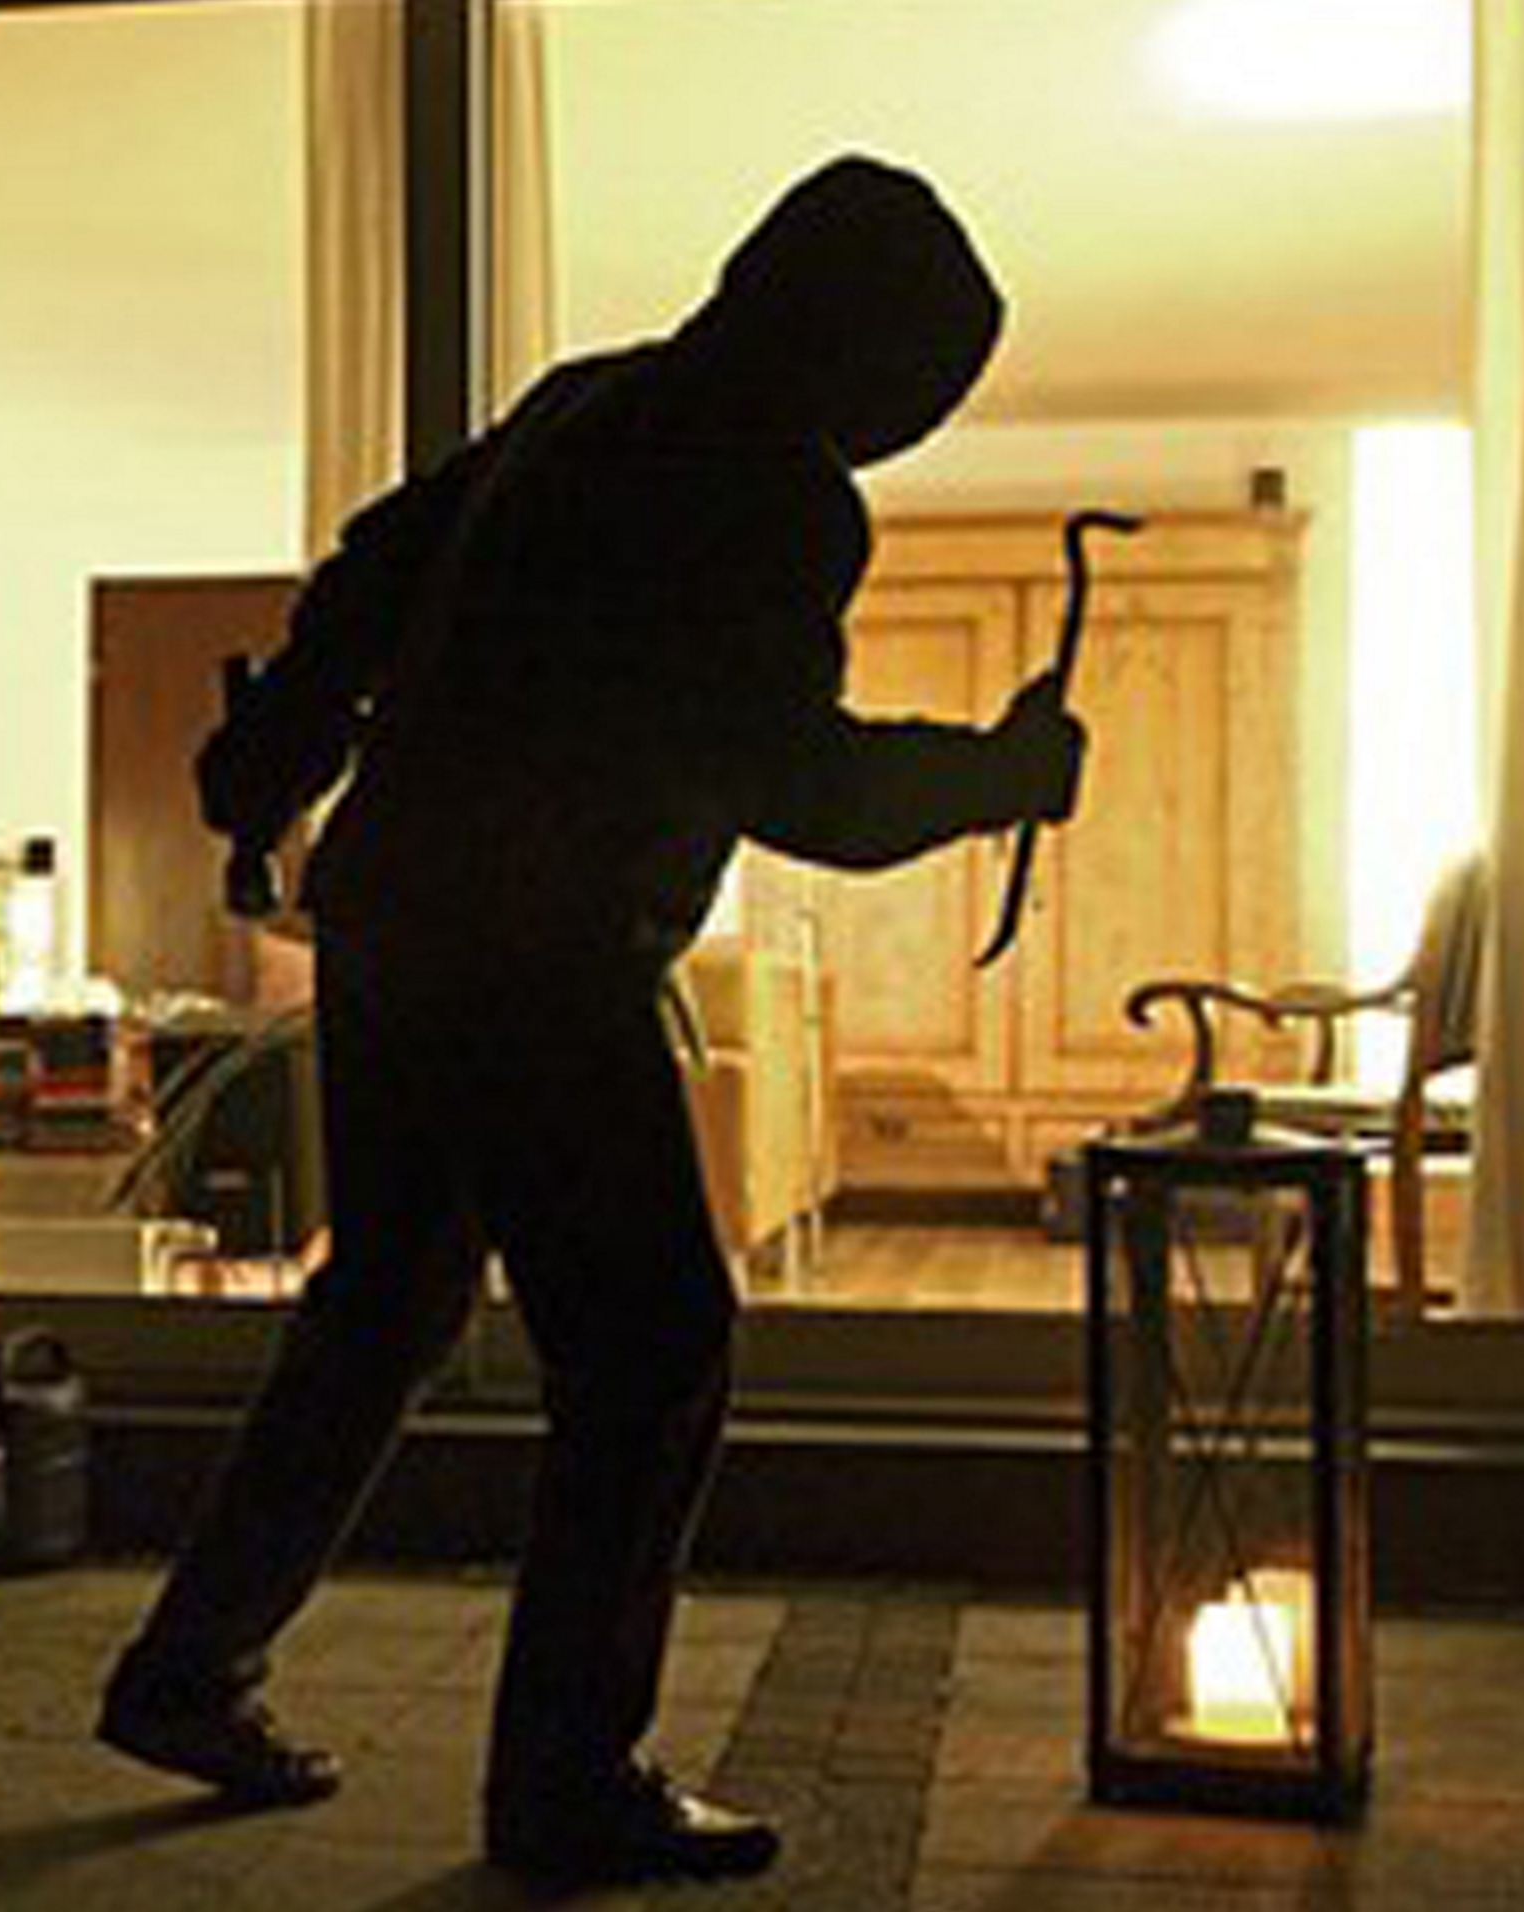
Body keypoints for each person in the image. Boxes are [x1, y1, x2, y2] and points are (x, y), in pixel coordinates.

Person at [96, 153, 1086, 1887]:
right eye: (919, 388)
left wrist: (283, 750)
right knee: (649, 1348)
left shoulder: (584, 402)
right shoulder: (775, 487)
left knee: (381, 1308)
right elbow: (794, 779)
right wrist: (993, 774)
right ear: (856, 345)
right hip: (540, 948)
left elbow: (375, 570)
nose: (903, 431)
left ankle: (190, 1669)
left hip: (397, 906)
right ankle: (566, 1777)